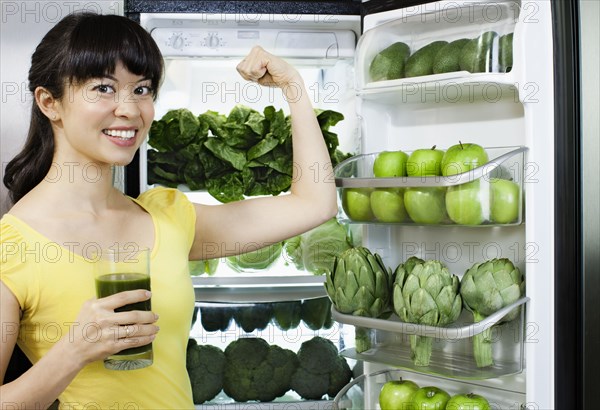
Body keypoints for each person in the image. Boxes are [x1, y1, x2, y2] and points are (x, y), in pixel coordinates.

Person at [0, 12, 337, 409]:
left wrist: (292, 87)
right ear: (49, 102)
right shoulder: (14, 245)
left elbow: (314, 204)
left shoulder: (167, 218)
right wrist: (73, 350)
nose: (129, 109)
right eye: (104, 88)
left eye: (142, 89)